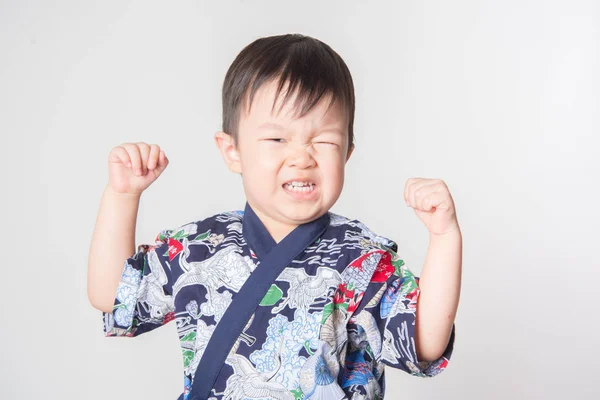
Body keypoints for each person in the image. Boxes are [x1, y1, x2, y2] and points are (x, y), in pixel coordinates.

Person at [88, 33, 461, 400]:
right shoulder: (197, 248)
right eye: (277, 139)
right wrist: (122, 196)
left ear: (347, 151)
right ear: (232, 150)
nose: (302, 157)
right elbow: (112, 295)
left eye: (325, 141)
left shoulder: (362, 259)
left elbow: (424, 343)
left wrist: (444, 238)